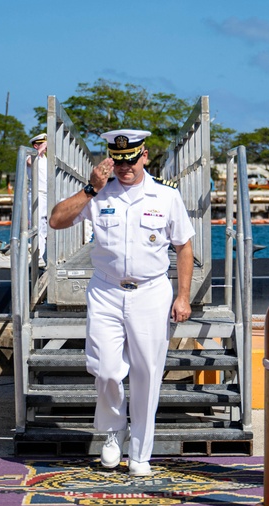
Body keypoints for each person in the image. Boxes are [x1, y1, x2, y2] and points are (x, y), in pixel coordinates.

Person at [48, 129, 194, 476]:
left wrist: (183, 295)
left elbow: (184, 247)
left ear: (144, 156)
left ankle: (141, 454)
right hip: (106, 290)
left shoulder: (165, 196)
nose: (125, 168)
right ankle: (113, 432)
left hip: (151, 292)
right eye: (119, 162)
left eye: (131, 161)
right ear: (110, 160)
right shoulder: (99, 194)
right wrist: (90, 188)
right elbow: (56, 220)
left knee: (147, 373)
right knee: (106, 369)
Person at [27, 132, 48, 265]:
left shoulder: (46, 158)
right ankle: (37, 253)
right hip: (37, 193)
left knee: (45, 226)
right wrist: (39, 151)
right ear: (36, 145)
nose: (46, 147)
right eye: (43, 144)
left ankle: (43, 253)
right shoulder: (31, 156)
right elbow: (30, 162)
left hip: (47, 194)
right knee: (37, 224)